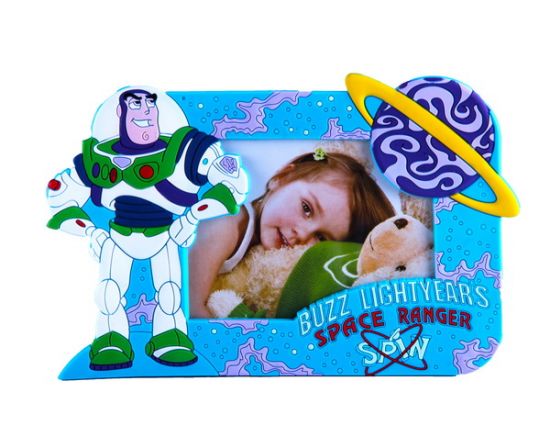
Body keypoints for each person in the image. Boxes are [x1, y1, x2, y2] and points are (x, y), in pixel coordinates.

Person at [46, 88, 248, 370]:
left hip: (165, 236)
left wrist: (191, 218)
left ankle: (169, 338)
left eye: (150, 103)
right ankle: (111, 339)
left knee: (170, 293)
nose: (145, 109)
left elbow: (231, 184)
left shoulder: (186, 152)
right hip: (117, 238)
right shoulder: (98, 159)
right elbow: (61, 197)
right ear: (120, 113)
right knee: (109, 293)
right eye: (135, 103)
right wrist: (92, 231)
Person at [189, 148, 395, 318]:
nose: (303, 234)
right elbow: (189, 308)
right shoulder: (225, 222)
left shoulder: (262, 259)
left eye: (321, 238)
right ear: (282, 178)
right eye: (307, 208)